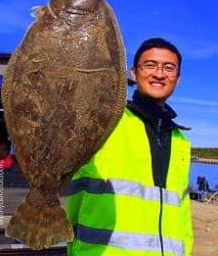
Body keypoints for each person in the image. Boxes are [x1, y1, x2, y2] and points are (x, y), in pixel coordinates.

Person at [66, 37, 193, 256]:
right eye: (150, 65)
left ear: (177, 79)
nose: (159, 74)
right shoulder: (102, 120)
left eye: (169, 68)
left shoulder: (181, 140)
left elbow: (182, 211)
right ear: (133, 73)